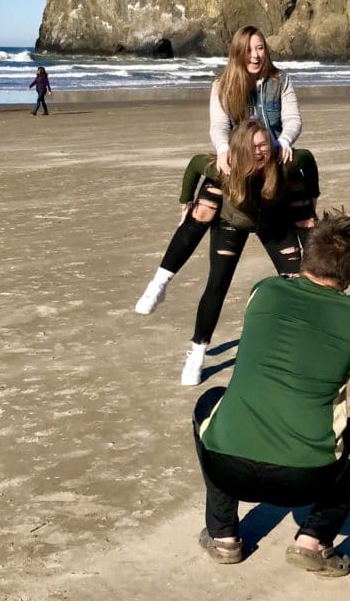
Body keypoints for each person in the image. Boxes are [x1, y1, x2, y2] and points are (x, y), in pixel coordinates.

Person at [192, 213, 350, 574]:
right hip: (302, 480)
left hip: (227, 468)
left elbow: (305, 287)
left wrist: (346, 267)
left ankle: (223, 535)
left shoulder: (262, 291)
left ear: (305, 253)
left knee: (210, 402)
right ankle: (312, 541)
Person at [135, 120, 317, 386]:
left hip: (274, 222)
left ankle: (304, 343)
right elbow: (196, 163)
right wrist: (185, 199)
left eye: (263, 144)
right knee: (217, 281)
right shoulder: (226, 166)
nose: (258, 151)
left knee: (301, 282)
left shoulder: (283, 162)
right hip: (232, 222)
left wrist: (313, 195)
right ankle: (196, 350)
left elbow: (307, 159)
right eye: (252, 146)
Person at [210, 26, 302, 173]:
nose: (255, 56)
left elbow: (293, 119)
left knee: (303, 170)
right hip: (239, 159)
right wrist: (223, 149)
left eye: (260, 48)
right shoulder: (221, 85)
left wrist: (285, 141)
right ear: (237, 52)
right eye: (248, 50)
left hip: (274, 155)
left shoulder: (280, 80)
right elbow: (219, 126)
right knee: (207, 192)